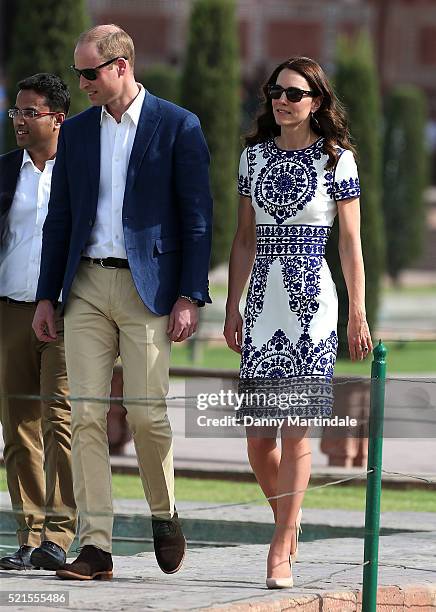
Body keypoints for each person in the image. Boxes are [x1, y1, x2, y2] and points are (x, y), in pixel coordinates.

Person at [32, 24, 212, 581]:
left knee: (146, 413)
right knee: (85, 411)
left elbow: (198, 218)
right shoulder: (79, 133)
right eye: (77, 72)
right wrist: (46, 295)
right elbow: (59, 217)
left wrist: (189, 295)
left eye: (89, 72)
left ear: (121, 66)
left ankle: (163, 512)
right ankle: (96, 546)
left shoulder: (178, 125)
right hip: (85, 286)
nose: (81, 82)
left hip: (149, 288)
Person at [224, 57, 372, 589]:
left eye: (292, 92)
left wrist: (358, 310)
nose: (280, 101)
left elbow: (351, 244)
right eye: (274, 91)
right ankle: (290, 519)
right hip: (263, 300)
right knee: (258, 438)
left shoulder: (338, 161)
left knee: (295, 430)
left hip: (315, 303)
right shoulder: (253, 157)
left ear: (316, 101)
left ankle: (281, 546)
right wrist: (232, 303)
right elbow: (243, 238)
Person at [0, 73, 76, 571]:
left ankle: (61, 533)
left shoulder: (79, 171)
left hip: (68, 313)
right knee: (17, 427)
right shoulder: (5, 170)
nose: (20, 122)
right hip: (10, 311)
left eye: (30, 112)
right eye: (15, 113)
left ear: (57, 119)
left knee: (60, 421)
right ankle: (28, 535)